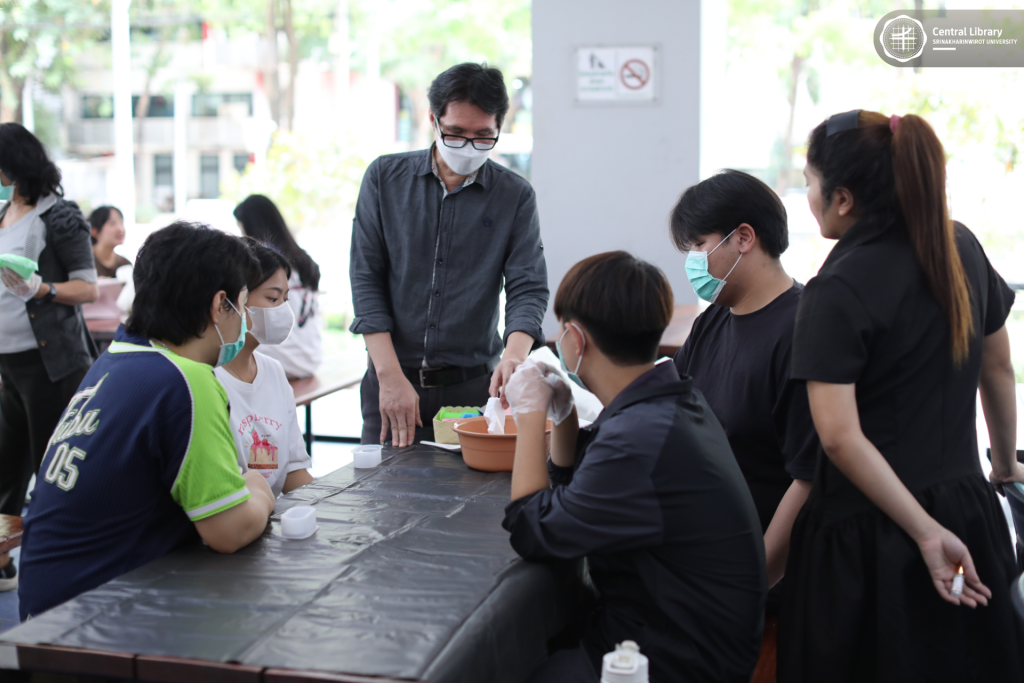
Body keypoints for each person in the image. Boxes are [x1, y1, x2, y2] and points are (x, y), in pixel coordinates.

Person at [780, 110, 1024, 681]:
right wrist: (1005, 463)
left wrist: (924, 532)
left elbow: (840, 439)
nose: (808, 197)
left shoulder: (836, 288)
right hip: (967, 513)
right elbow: (997, 367)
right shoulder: (959, 245)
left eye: (810, 182)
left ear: (843, 199)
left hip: (874, 535)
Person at [503, 252, 766, 683]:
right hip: (690, 633)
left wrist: (530, 417)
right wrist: (565, 416)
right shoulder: (671, 400)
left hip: (675, 659)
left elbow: (531, 529)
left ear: (575, 339)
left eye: (560, 330)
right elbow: (576, 493)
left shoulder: (638, 437)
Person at [17, 222, 276, 620]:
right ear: (218, 304)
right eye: (242, 306)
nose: (245, 321)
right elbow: (229, 531)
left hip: (44, 608)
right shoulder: (185, 381)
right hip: (95, 619)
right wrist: (259, 489)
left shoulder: (115, 360)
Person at [350, 62, 548, 448]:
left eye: (483, 136)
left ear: (499, 127)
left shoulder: (514, 195)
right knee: (382, 484)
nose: (468, 147)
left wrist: (514, 356)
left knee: (470, 486)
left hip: (473, 388)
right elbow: (365, 278)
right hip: (392, 379)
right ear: (433, 120)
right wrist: (388, 376)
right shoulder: (385, 179)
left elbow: (528, 286)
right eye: (455, 133)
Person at [670, 170, 817, 606]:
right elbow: (671, 408)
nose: (693, 261)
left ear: (743, 238)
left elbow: (808, 479)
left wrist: (752, 584)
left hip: (761, 581)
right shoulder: (714, 319)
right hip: (706, 558)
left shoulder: (801, 331)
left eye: (699, 245)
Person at [0, 123, 99, 591]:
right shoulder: (4, 211)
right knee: (6, 469)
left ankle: (65, 564)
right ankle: (3, 561)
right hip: (9, 365)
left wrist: (42, 288)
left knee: (53, 469)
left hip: (52, 365)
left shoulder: (59, 216)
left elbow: (88, 287)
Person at [216, 238, 314, 497]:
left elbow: (293, 471)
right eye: (272, 298)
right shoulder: (209, 377)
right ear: (235, 299)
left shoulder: (273, 371)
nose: (283, 310)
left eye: (285, 299)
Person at [234, 194, 322, 379]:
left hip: (283, 360)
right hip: (312, 357)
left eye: (241, 227)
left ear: (250, 226)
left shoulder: (267, 267)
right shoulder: (305, 262)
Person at [89, 205, 131, 278]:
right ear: (95, 231)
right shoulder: (84, 262)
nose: (120, 229)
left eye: (121, 223)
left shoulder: (125, 264)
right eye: (112, 223)